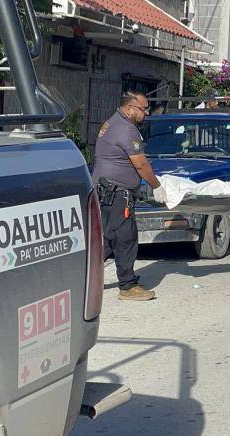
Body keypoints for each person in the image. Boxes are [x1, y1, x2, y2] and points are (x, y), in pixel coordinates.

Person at [91, 91, 168, 301]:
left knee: (108, 238)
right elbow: (141, 164)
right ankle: (127, 286)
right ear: (129, 108)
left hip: (106, 191)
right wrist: (156, 186)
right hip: (117, 193)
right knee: (126, 238)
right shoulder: (126, 129)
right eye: (143, 109)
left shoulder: (113, 122)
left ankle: (82, 278)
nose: (146, 113)